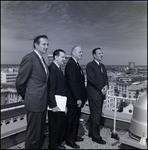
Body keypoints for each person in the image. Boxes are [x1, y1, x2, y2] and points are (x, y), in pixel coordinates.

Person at [15, 35, 49, 149]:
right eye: (44, 44)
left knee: (40, 133)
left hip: (42, 102)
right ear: (36, 44)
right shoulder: (29, 58)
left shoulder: (41, 59)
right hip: (34, 102)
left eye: (47, 44)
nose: (46, 47)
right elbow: (20, 82)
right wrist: (28, 96)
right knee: (33, 134)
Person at [65, 46, 87, 149]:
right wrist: (78, 98)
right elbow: (72, 83)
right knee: (72, 119)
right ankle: (70, 140)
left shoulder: (76, 64)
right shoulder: (71, 64)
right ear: (73, 53)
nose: (81, 54)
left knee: (75, 119)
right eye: (79, 52)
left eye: (82, 52)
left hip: (77, 98)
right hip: (73, 99)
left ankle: (73, 137)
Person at [86, 47, 108, 145]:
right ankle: (96, 137)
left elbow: (105, 78)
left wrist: (106, 86)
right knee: (96, 115)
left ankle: (92, 133)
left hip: (101, 94)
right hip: (94, 94)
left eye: (102, 53)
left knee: (95, 115)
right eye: (99, 53)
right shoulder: (90, 65)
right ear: (94, 55)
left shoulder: (102, 66)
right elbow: (92, 79)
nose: (101, 55)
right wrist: (101, 88)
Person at [47, 49, 67, 149]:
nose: (65, 59)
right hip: (55, 103)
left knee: (59, 125)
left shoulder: (58, 68)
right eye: (62, 57)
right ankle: (53, 147)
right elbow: (51, 88)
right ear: (56, 57)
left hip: (60, 102)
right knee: (54, 127)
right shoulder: (52, 68)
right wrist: (53, 105)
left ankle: (57, 145)